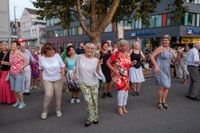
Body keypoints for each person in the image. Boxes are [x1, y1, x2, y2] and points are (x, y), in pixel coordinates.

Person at [74, 43, 103, 127]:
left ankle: (95, 116)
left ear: (94, 50)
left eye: (91, 48)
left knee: (94, 100)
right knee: (88, 101)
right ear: (85, 49)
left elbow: (98, 73)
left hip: (94, 82)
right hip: (83, 82)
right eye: (88, 48)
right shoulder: (79, 57)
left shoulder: (95, 60)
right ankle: (90, 117)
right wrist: (74, 74)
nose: (89, 50)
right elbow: (75, 68)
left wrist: (98, 66)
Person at [39, 43, 65, 119]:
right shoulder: (41, 58)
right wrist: (41, 80)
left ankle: (58, 109)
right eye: (49, 52)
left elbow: (62, 66)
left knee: (58, 96)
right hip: (47, 79)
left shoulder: (57, 56)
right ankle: (44, 111)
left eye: (53, 51)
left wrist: (62, 75)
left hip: (58, 78)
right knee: (48, 95)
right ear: (45, 52)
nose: (52, 53)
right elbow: (40, 69)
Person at [150, 34, 176, 110]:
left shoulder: (171, 50)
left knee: (167, 86)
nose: (164, 42)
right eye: (163, 40)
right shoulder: (161, 48)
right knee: (161, 87)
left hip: (166, 69)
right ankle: (159, 102)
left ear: (169, 41)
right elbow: (152, 56)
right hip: (159, 68)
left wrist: (178, 56)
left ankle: (164, 102)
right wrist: (156, 65)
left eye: (166, 40)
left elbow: (176, 59)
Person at [107, 39, 132, 116]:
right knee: (121, 90)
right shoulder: (116, 53)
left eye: (125, 46)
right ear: (119, 46)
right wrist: (114, 70)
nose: (124, 47)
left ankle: (124, 105)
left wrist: (132, 64)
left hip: (125, 74)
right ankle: (119, 107)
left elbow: (128, 65)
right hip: (117, 75)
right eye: (122, 46)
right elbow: (108, 62)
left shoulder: (128, 54)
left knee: (126, 91)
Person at [9, 41, 29, 109]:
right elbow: (11, 63)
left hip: (19, 73)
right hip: (12, 73)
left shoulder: (20, 53)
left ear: (17, 46)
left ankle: (22, 103)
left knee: (19, 90)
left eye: (13, 44)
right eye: (12, 44)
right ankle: (17, 101)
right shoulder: (11, 53)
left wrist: (22, 67)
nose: (12, 45)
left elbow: (27, 61)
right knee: (14, 89)